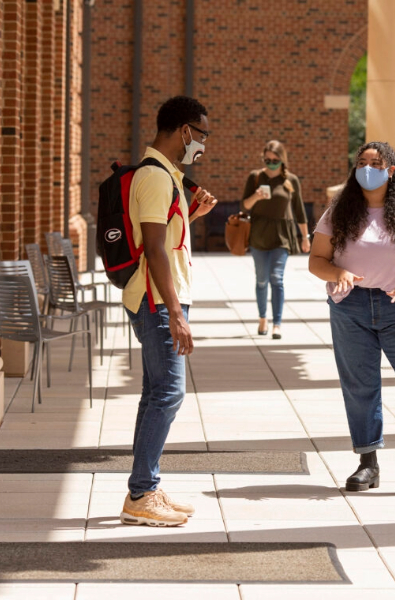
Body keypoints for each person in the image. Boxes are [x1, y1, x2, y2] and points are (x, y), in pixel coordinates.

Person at [309, 141, 395, 496]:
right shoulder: (338, 213)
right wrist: (336, 272)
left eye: (376, 163)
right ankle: (367, 464)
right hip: (350, 307)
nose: (368, 168)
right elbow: (316, 260)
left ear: (391, 171)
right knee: (360, 384)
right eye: (362, 162)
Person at [120, 96, 218, 526]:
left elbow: (164, 240)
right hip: (159, 301)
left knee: (156, 392)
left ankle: (146, 487)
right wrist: (176, 313)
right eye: (202, 134)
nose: (202, 143)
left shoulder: (167, 177)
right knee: (168, 393)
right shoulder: (156, 177)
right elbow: (155, 250)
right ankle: (142, 494)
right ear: (184, 131)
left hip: (159, 297)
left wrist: (193, 216)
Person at [239, 140, 310, 338]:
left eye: (275, 160)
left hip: (282, 236)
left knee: (276, 279)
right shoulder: (255, 177)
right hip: (259, 234)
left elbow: (299, 211)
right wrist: (256, 197)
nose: (271, 163)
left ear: (282, 160)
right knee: (262, 280)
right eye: (267, 159)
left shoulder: (291, 180)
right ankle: (263, 318)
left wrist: (305, 237)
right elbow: (244, 205)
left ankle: (277, 323)